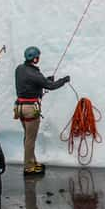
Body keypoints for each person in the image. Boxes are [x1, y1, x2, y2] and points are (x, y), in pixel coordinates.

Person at [14, 46, 70, 175]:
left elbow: (29, 83)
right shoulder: (35, 74)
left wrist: (43, 82)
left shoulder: (19, 69)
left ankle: (32, 161)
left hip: (19, 107)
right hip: (30, 109)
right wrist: (63, 80)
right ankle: (29, 167)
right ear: (35, 58)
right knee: (30, 139)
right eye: (37, 56)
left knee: (27, 137)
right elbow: (50, 86)